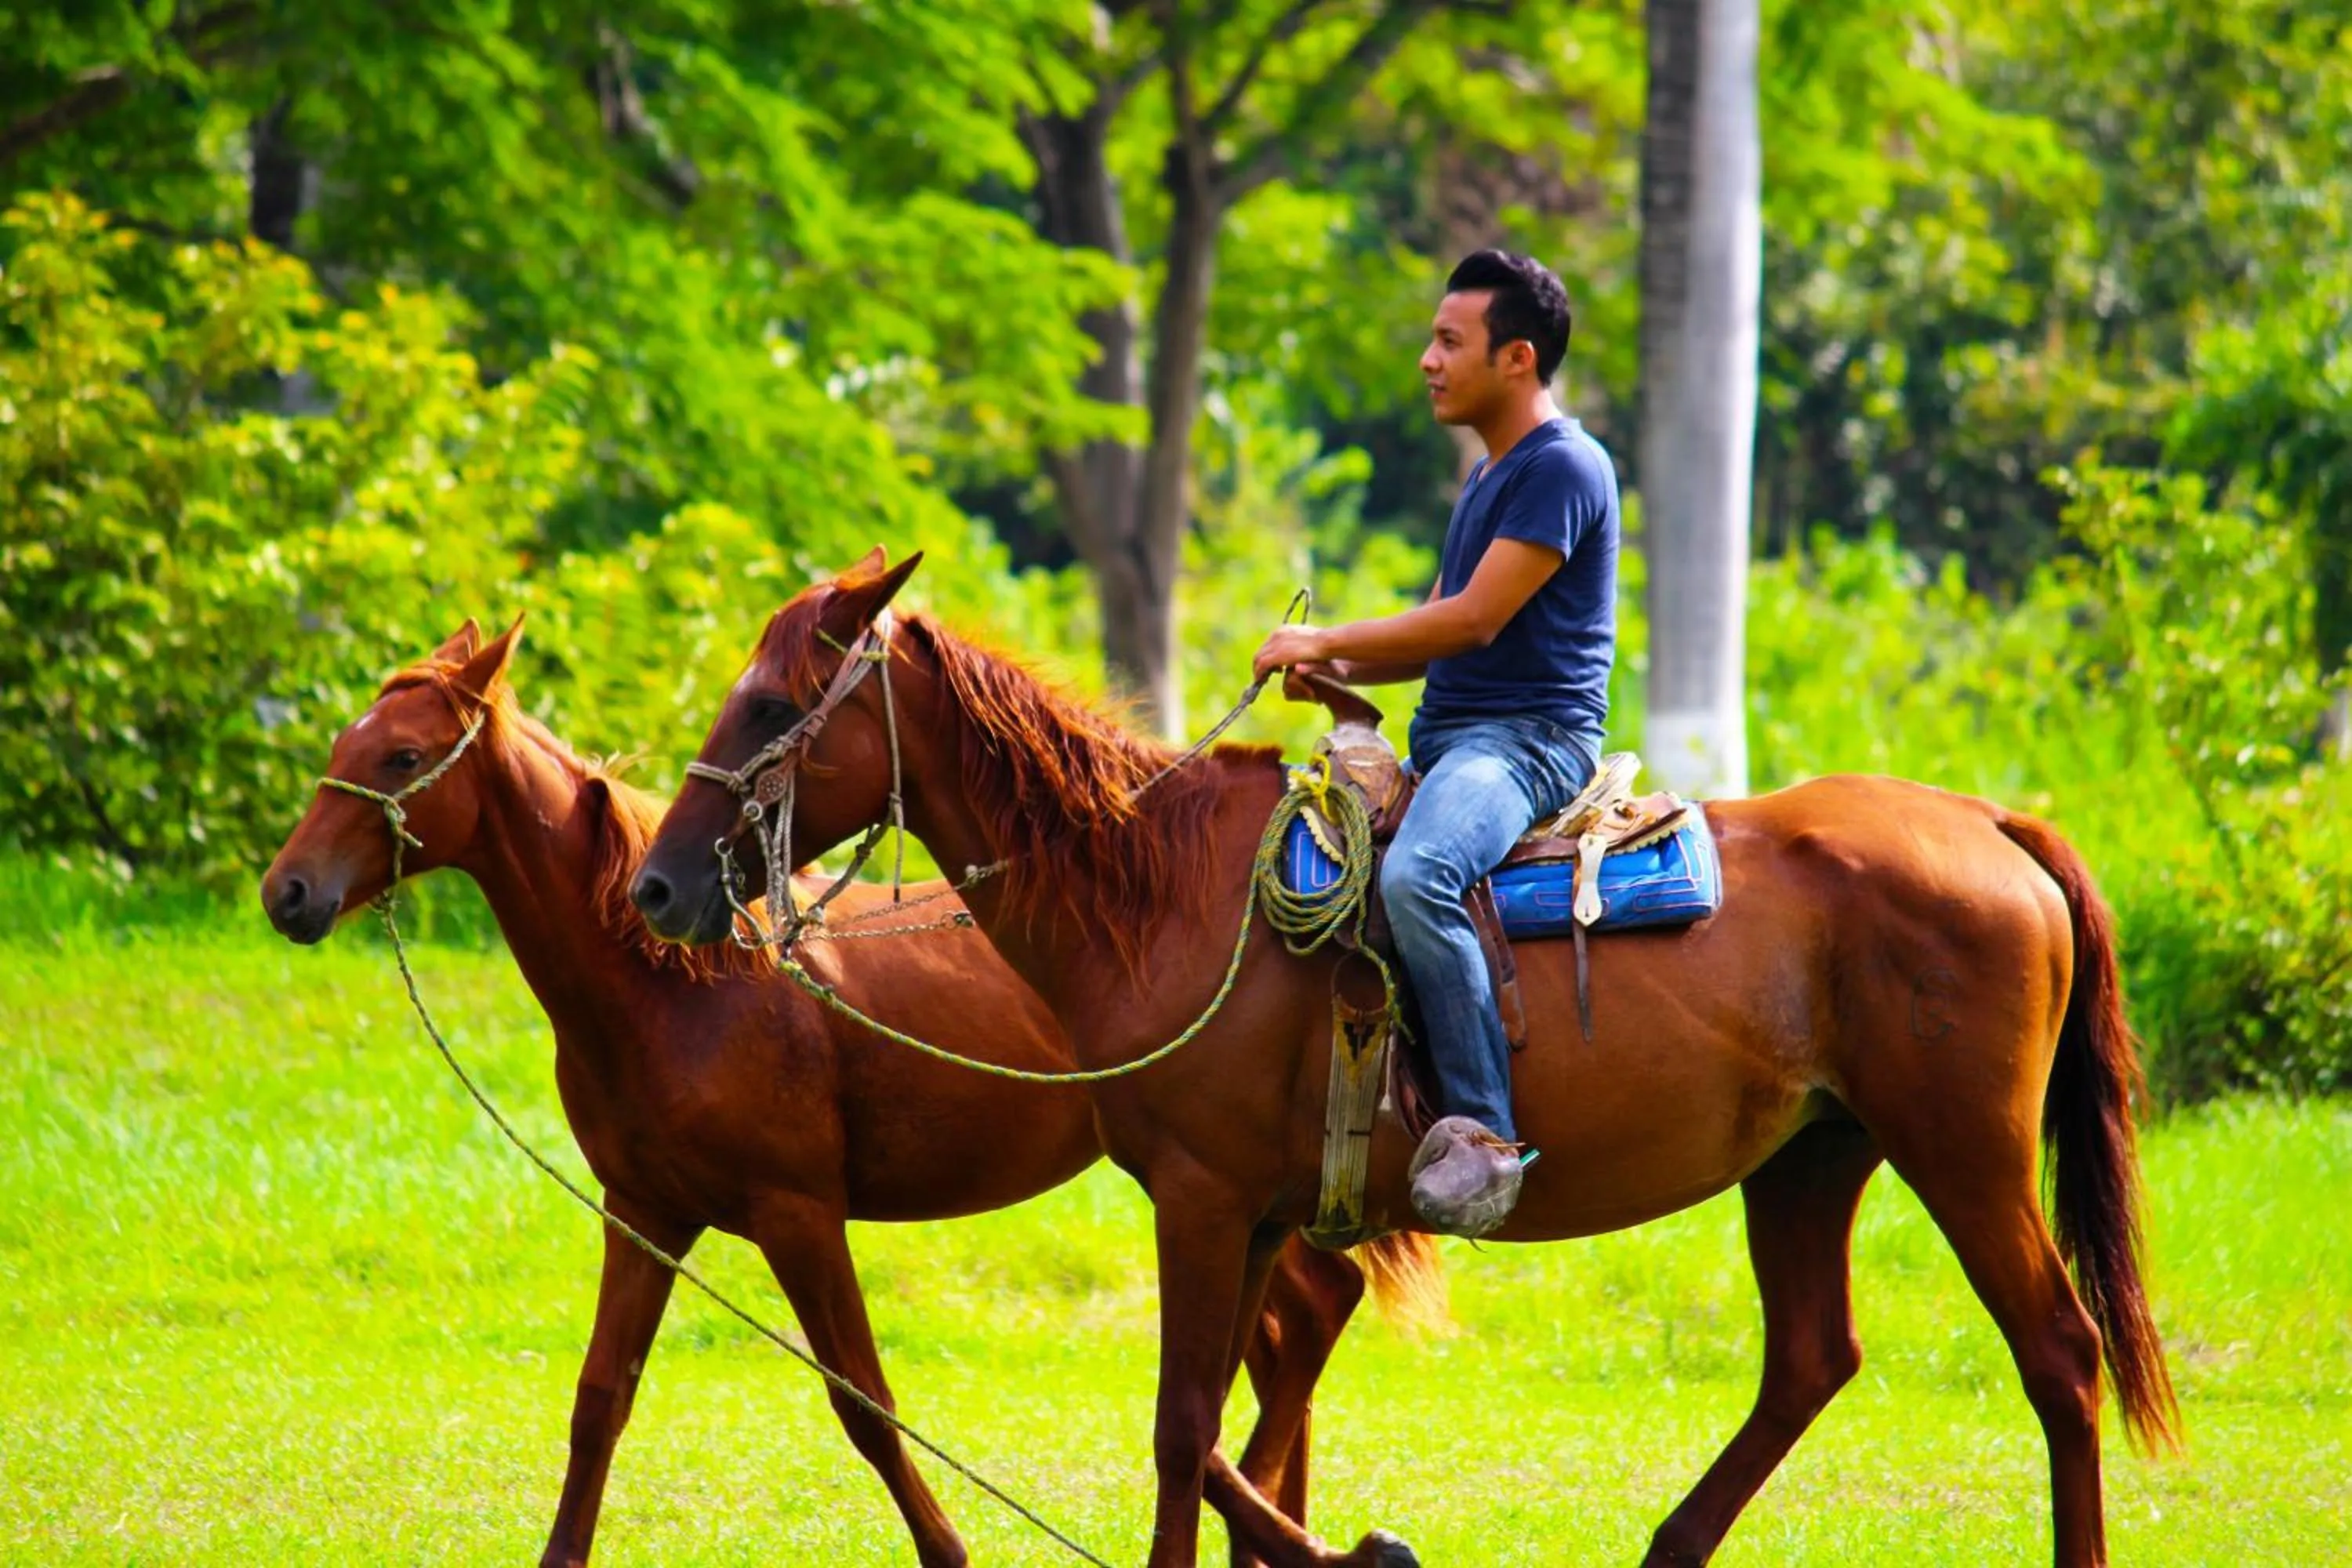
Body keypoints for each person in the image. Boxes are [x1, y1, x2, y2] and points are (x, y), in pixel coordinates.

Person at [1251, 249, 1621, 1238]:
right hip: (1459, 738)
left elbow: (1474, 622)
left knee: (1418, 875)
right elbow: (1434, 622)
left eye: (1450, 341)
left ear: (1517, 358)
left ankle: (1485, 1138)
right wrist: (1341, 677)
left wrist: (1324, 635)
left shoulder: (1564, 468)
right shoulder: (1492, 477)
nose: (1427, 360)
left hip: (1529, 743)